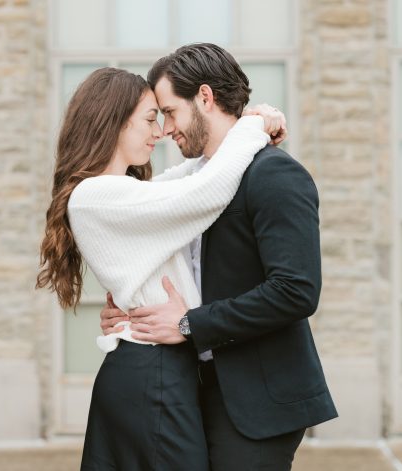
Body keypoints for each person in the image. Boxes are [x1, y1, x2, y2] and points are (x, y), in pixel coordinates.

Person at [99, 43, 338, 470]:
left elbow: (296, 291)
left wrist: (190, 325)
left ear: (204, 98)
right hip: (195, 389)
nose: (166, 129)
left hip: (257, 400)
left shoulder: (275, 175)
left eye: (170, 112)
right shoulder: (196, 182)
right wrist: (131, 310)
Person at [37, 65, 285, 470]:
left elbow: (191, 177)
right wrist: (252, 128)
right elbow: (204, 191)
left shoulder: (121, 193)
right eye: (151, 119)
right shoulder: (97, 195)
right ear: (113, 122)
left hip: (157, 370)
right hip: (151, 373)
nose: (160, 132)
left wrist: (247, 127)